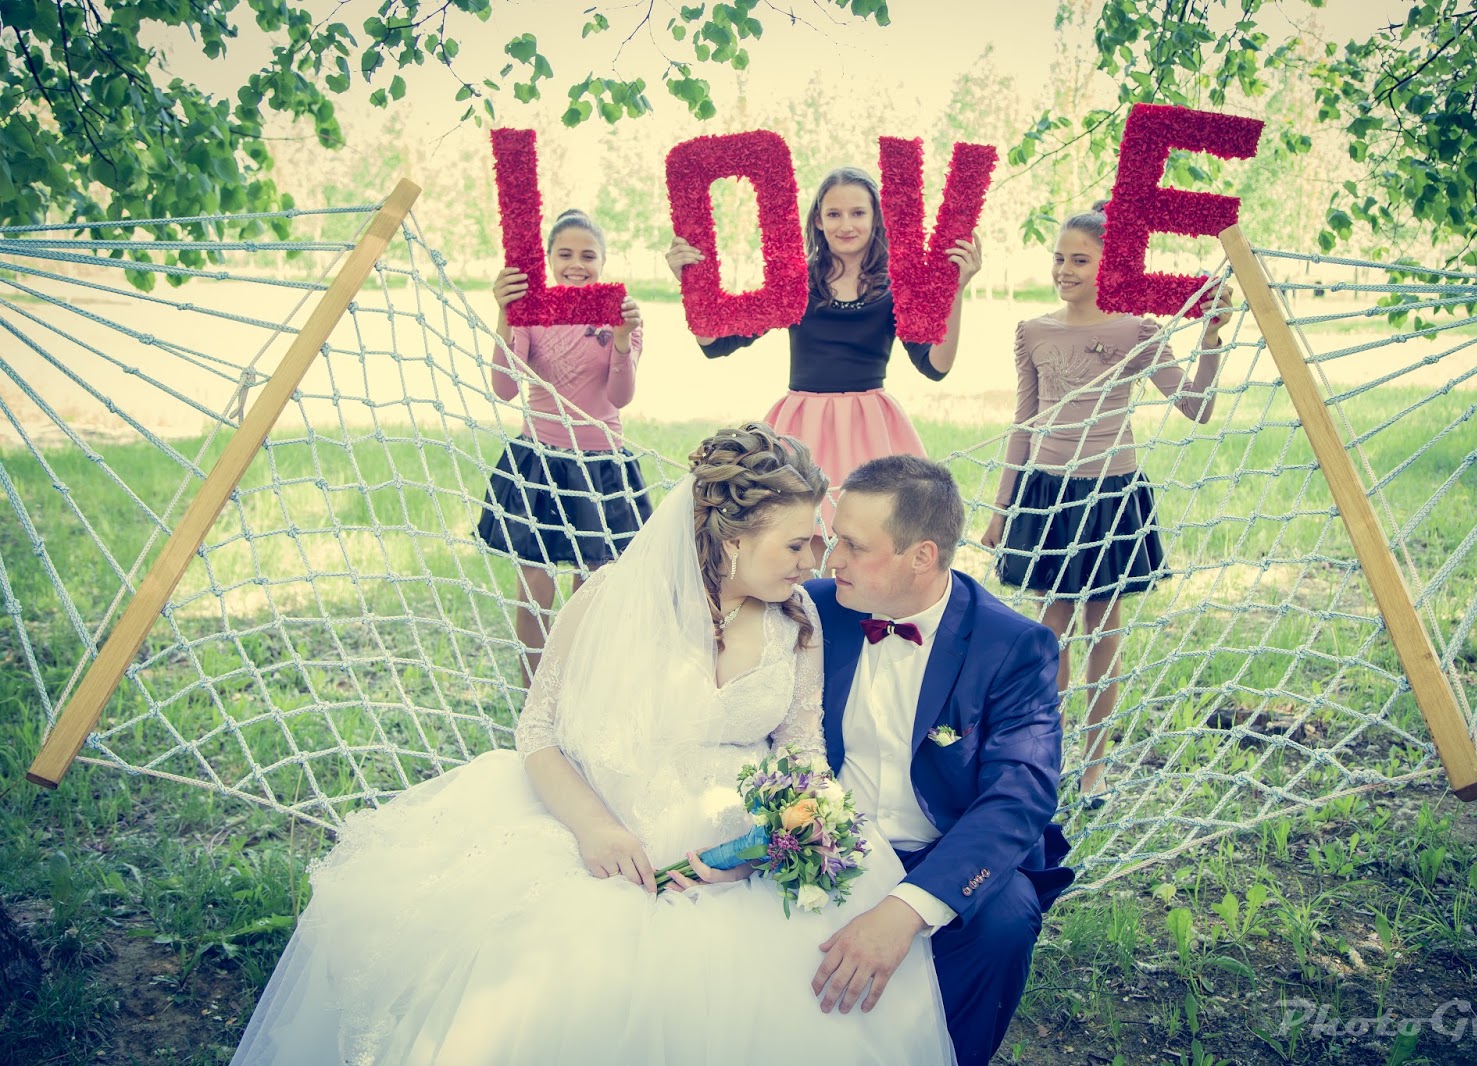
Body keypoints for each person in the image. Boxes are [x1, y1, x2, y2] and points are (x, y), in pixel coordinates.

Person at [231, 424, 957, 1066]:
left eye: (817, 541)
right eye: (797, 543)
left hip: (730, 850)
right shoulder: (614, 598)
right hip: (601, 824)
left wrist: (769, 845)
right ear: (734, 541)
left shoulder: (795, 618)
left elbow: (803, 752)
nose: (814, 560)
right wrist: (595, 829)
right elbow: (537, 731)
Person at [805, 455, 1074, 1066]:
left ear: (922, 556)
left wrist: (907, 908)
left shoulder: (1012, 645)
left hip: (942, 847)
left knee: (1004, 923)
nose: (832, 560)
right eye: (834, 538)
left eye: (854, 546)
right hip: (825, 840)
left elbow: (1020, 794)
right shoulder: (811, 610)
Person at [979, 200, 1234, 807]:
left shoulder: (1135, 331)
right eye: (1058, 258)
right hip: (1049, 495)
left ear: (1109, 265)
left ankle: (1095, 764)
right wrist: (1002, 508)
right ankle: (1047, 755)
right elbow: (1023, 423)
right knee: (1051, 633)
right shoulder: (1033, 331)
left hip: (1110, 498)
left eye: (1080, 260)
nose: (1064, 270)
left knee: (1103, 631)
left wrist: (1210, 340)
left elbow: (1195, 406)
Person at [665, 166, 981, 534]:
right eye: (834, 214)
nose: (846, 225)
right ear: (818, 219)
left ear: (876, 218)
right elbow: (715, 343)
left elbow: (936, 365)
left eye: (858, 213)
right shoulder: (796, 282)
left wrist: (956, 290)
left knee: (871, 533)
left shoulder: (896, 287)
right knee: (797, 533)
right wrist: (690, 281)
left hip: (869, 427)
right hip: (803, 427)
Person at [477, 208, 653, 684]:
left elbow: (620, 396)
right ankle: (534, 693)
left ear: (603, 261)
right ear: (550, 259)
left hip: (601, 467)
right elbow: (504, 387)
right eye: (566, 254)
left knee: (591, 590)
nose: (577, 264)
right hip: (541, 462)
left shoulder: (623, 316)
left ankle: (576, 689)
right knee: (535, 587)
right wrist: (506, 313)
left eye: (588, 255)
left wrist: (621, 341)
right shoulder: (532, 312)